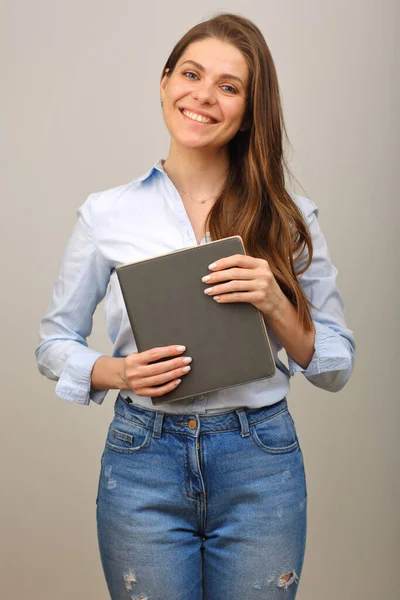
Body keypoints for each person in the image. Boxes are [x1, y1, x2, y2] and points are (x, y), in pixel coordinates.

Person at [35, 12, 356, 600]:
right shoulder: (106, 214)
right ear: (165, 81)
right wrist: (117, 372)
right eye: (191, 74)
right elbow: (54, 343)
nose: (203, 96)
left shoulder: (288, 219)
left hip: (260, 458)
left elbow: (336, 365)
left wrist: (278, 303)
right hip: (142, 456)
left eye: (229, 87)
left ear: (249, 111)